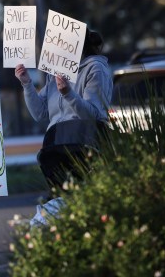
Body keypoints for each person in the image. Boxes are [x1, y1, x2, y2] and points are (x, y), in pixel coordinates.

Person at [14, 29, 113, 188]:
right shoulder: (55, 73)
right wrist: (26, 83)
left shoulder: (95, 68)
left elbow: (93, 114)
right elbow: (39, 113)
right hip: (56, 146)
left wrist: (68, 93)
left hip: (85, 146)